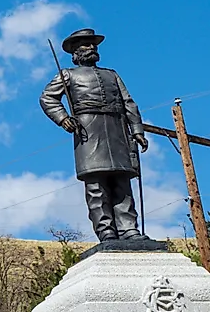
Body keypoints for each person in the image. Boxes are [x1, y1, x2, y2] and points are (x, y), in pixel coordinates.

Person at [39, 28, 150, 242]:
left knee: (122, 181)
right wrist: (63, 118)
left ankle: (129, 229)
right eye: (85, 44)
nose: (91, 48)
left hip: (118, 130)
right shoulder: (67, 74)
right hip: (88, 131)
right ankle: (106, 230)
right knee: (96, 183)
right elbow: (47, 98)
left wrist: (137, 130)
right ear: (75, 51)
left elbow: (129, 103)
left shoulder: (112, 74)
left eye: (93, 44)